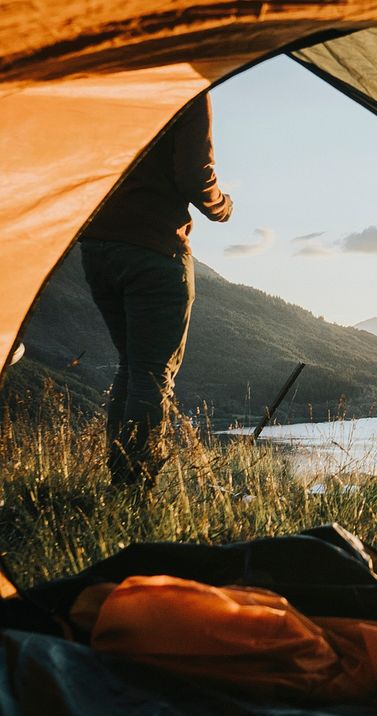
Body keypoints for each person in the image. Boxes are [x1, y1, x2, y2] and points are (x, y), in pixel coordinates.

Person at [79, 92, 233, 489]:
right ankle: (134, 487)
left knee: (131, 366)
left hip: (96, 246)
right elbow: (194, 174)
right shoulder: (187, 87)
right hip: (154, 250)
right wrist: (222, 206)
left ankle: (121, 480)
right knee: (151, 375)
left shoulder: (109, 79)